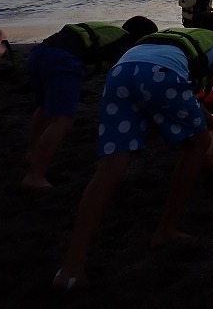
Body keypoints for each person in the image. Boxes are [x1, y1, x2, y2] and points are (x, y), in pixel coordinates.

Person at [52, 22, 213, 290]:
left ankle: (70, 268)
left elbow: (188, 94)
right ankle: (166, 230)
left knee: (109, 168)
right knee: (198, 145)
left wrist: (209, 121)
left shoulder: (169, 39)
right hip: (160, 75)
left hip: (120, 73)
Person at [22, 16, 158, 190]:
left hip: (39, 53)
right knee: (63, 120)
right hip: (63, 61)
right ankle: (35, 175)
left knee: (45, 108)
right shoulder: (125, 45)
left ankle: (32, 153)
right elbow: (132, 82)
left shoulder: (110, 35)